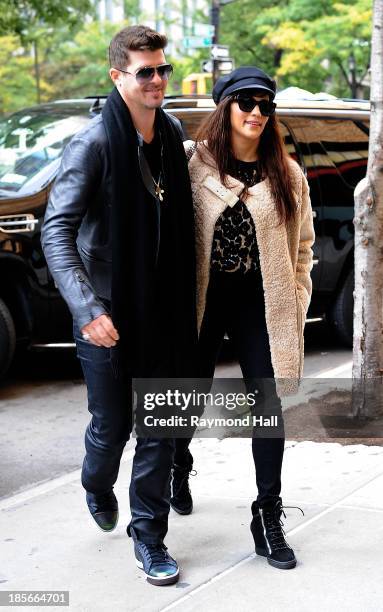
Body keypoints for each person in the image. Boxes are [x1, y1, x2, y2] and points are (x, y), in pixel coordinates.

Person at [41, 25, 198, 586]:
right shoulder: (95, 143)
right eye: (145, 71)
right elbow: (55, 230)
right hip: (106, 309)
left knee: (158, 426)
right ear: (117, 77)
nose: (158, 80)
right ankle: (94, 483)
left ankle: (149, 537)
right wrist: (87, 309)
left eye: (163, 70)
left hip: (164, 311)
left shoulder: (172, 130)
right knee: (111, 427)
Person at [181, 66, 315, 570]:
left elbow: (302, 246)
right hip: (205, 299)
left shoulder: (287, 173)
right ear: (225, 107)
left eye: (266, 105)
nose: (257, 112)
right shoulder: (195, 165)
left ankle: (267, 514)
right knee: (186, 396)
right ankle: (177, 462)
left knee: (269, 406)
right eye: (246, 103)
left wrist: (298, 296)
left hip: (263, 302)